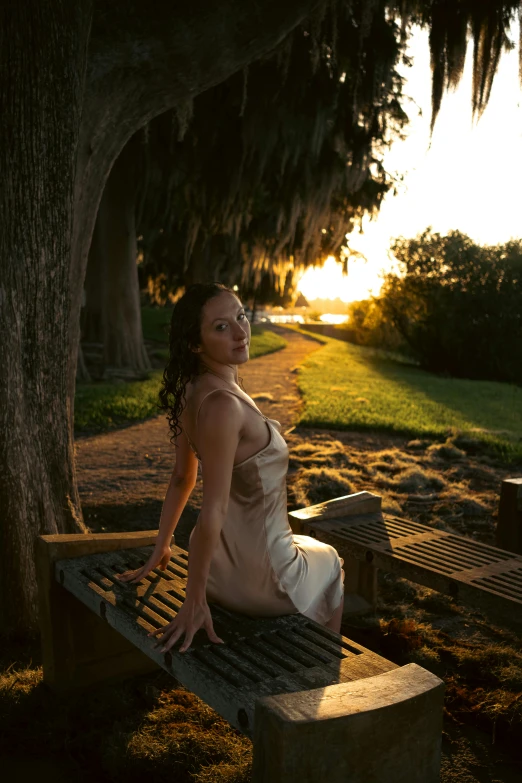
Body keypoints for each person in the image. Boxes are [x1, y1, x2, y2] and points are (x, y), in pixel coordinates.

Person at [117, 283, 344, 652]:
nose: (241, 332)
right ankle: (326, 670)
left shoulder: (192, 389)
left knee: (306, 544)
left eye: (240, 316)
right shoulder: (224, 406)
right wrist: (193, 600)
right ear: (196, 344)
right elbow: (214, 508)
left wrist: (163, 546)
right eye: (221, 327)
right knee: (332, 561)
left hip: (215, 569)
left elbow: (181, 478)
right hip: (260, 579)